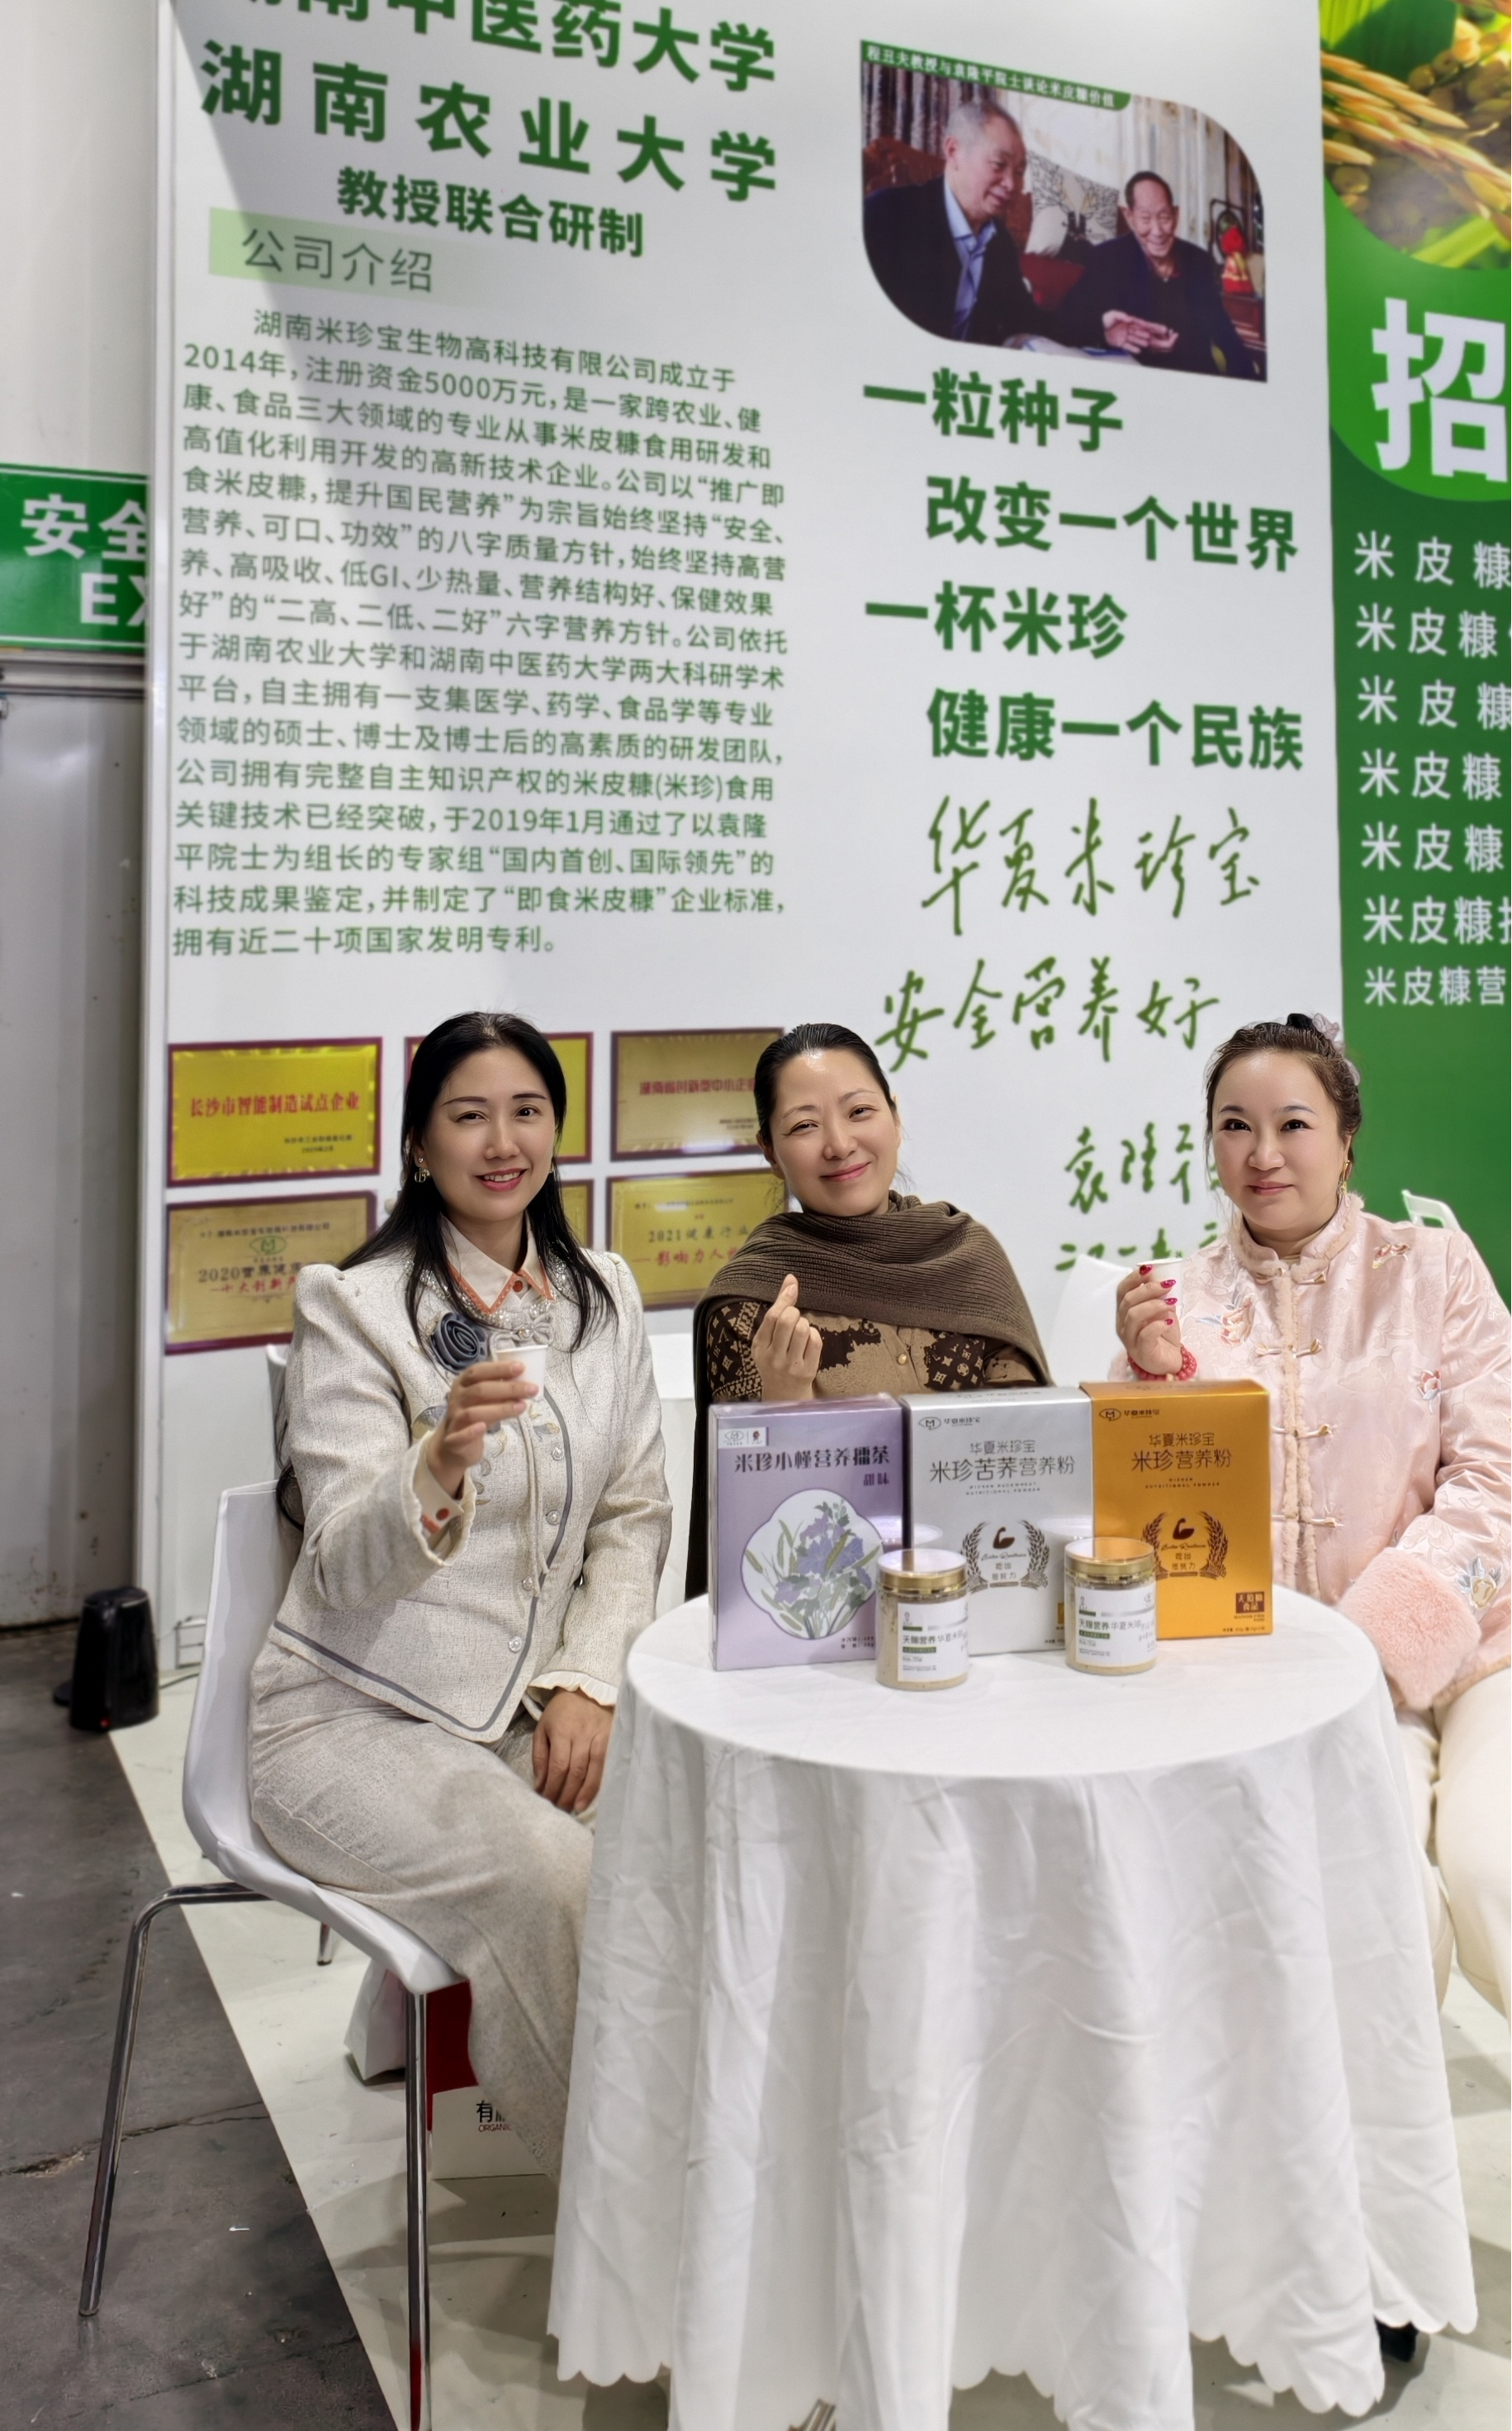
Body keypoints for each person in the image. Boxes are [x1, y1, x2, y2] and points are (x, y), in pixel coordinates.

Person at [249, 1012, 670, 2178]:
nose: (502, 1142)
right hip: (349, 1718)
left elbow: (633, 1515)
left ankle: (724, 2173)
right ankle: (623, 2219)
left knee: (694, 1840)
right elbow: (339, 1560)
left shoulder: (603, 1296)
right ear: (418, 1144)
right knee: (553, 1880)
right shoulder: (354, 1304)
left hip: (529, 1712)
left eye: (526, 1111)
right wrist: (432, 1467)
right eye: (468, 1115)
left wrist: (587, 1680)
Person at [1115, 1016, 1509, 2021]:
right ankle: (1389, 2119)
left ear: (1346, 1139)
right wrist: (1149, 1381)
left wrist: (1383, 1633)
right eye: (1233, 1125)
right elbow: (1144, 1524)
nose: (1262, 1153)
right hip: (1296, 1675)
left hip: (1479, 1649)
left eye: (1292, 1123)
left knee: (1494, 1872)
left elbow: (1496, 1474)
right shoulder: (1170, 1301)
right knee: (1379, 1899)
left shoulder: (1435, 1267)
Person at [685, 1022, 1048, 1596]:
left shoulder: (968, 1259)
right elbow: (759, 1539)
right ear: (770, 1152)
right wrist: (787, 1402)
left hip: (981, 1589)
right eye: (804, 1126)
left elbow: (1028, 1455)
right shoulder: (753, 1302)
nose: (838, 1143)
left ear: (895, 1118)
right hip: (830, 1608)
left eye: (859, 1112)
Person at [863, 97, 1050, 347]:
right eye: (999, 164)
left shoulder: (999, 238)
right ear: (953, 151)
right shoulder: (887, 214)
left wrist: (1096, 325)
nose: (1011, 184)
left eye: (1019, 172)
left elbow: (1025, 320)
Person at [1056, 171, 1260, 377]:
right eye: (1145, 218)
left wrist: (1248, 383)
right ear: (1130, 217)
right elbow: (1063, 324)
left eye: (1164, 217)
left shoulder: (1199, 261)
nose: (1157, 231)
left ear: (1176, 215)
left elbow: (1223, 332)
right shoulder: (1106, 259)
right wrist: (1106, 334)